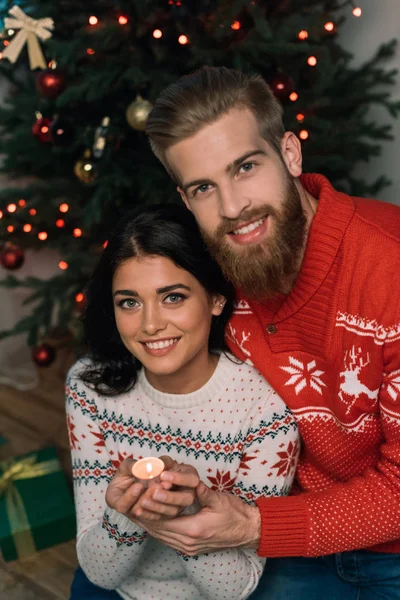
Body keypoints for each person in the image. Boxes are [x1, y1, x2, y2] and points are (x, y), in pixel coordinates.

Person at [141, 66, 400, 598]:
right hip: (277, 533)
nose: (233, 208)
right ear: (186, 200)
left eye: (246, 167)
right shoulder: (206, 273)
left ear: (290, 153)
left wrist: (256, 525)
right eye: (204, 187)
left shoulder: (389, 269)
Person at [65, 204, 299, 599]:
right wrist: (125, 516)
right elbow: (99, 572)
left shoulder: (264, 414)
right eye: (129, 302)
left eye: (172, 297)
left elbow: (235, 587)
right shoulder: (91, 388)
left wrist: (184, 511)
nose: (150, 324)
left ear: (216, 299)